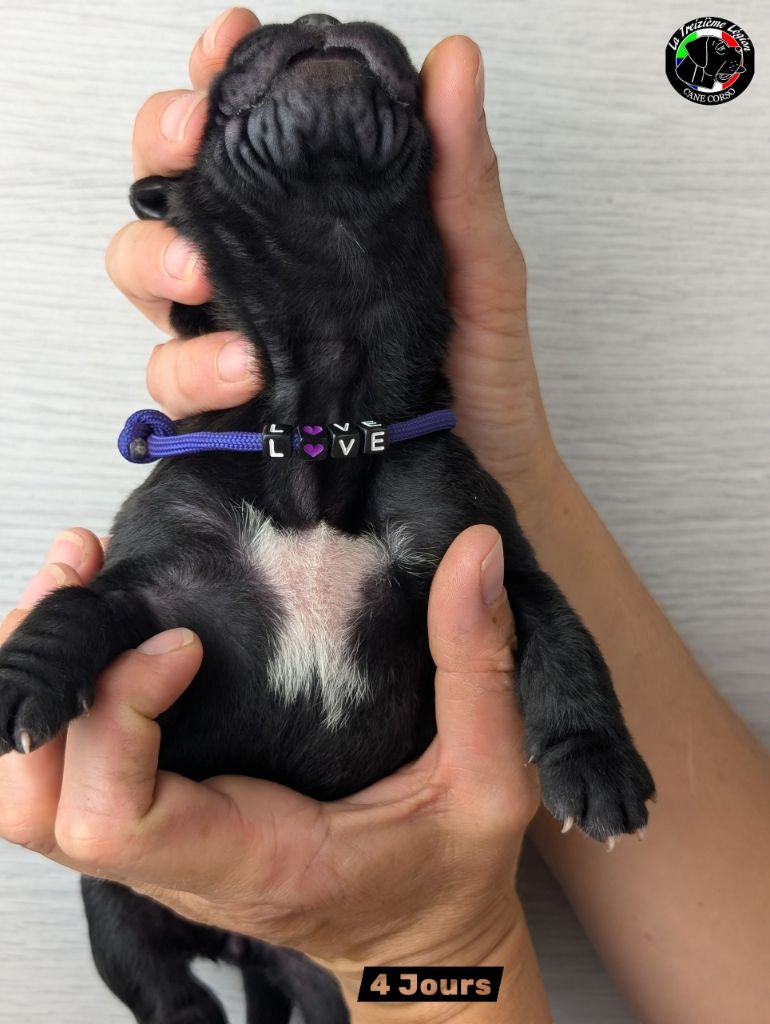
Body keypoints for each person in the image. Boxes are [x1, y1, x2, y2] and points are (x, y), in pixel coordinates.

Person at [1, 9, 768, 1023]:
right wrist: (40, 661)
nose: (320, 25)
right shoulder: (201, 479)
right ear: (183, 223)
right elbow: (114, 605)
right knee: (123, 930)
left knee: (324, 996)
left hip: (376, 958)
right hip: (183, 875)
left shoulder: (438, 487)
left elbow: (523, 602)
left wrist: (424, 953)